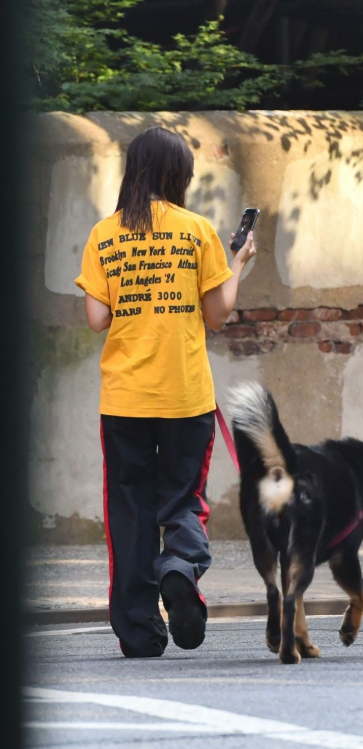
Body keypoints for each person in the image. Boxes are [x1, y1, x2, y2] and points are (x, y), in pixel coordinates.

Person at [75, 126, 255, 658]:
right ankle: (179, 568)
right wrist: (238, 262)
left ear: (134, 172)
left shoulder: (104, 235)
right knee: (182, 501)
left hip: (125, 401)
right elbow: (217, 316)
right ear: (179, 176)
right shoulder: (196, 231)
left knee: (128, 511)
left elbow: (95, 318)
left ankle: (139, 631)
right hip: (184, 398)